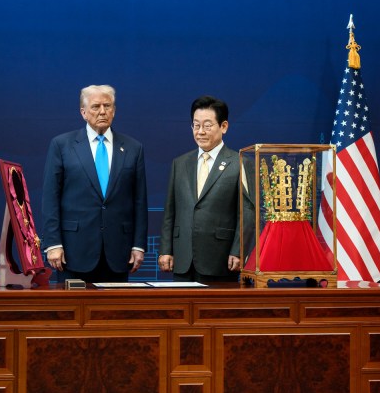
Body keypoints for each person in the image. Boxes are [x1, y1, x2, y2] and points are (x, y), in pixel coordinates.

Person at [40, 85, 148, 284]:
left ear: (114, 111)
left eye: (107, 106)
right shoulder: (62, 145)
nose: (102, 111)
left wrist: (138, 246)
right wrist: (53, 243)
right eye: (95, 106)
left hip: (118, 253)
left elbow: (139, 201)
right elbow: (50, 198)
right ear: (83, 112)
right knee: (72, 313)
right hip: (72, 253)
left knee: (112, 314)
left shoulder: (133, 148)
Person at [159, 96, 242, 283]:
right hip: (182, 259)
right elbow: (170, 212)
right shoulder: (179, 163)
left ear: (224, 126)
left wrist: (237, 251)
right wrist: (165, 250)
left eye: (207, 125)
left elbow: (245, 214)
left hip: (220, 260)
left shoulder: (239, 163)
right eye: (196, 126)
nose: (201, 132)